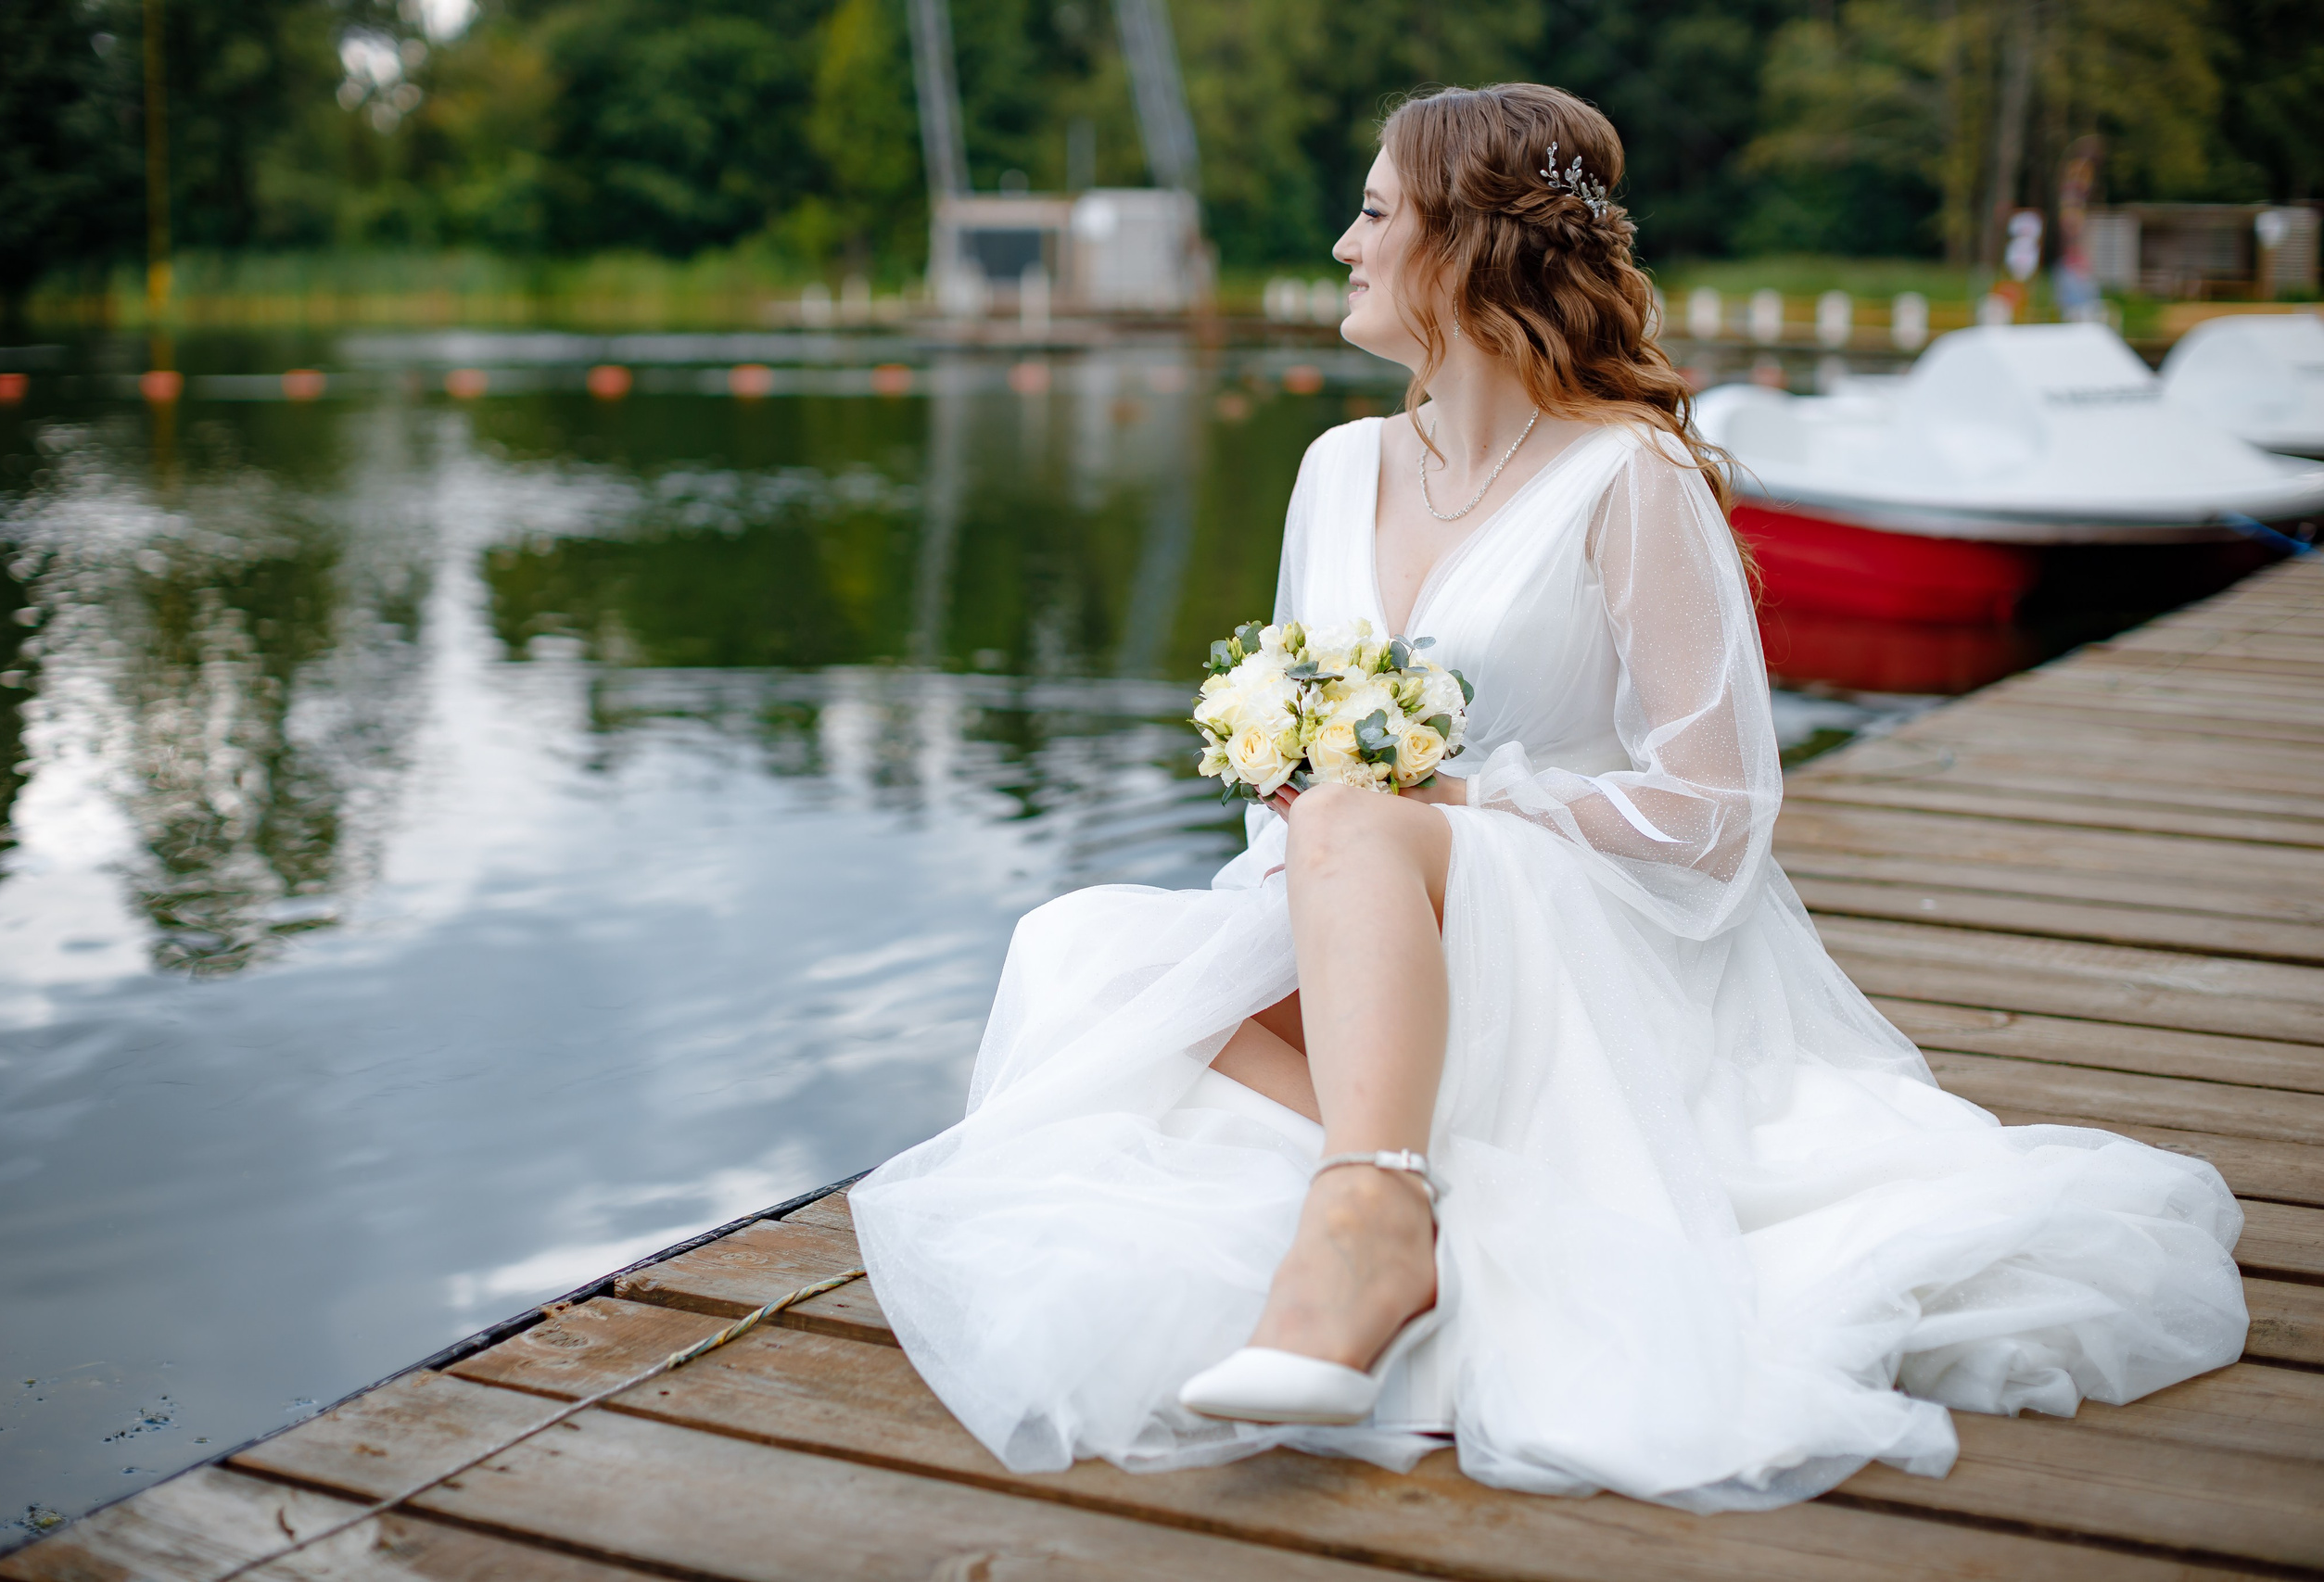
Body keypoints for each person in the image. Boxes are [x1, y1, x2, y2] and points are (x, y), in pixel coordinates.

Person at [852, 83, 2245, 1511]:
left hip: (1584, 928)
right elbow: (1302, 780)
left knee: (1347, 827)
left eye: (1378, 213)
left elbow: (1714, 815)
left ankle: (1373, 1220)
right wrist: (1297, 789)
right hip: (1364, 907)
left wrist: (1457, 803)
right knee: (1082, 955)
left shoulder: (1628, 478)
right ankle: (1448, 1174)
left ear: (1466, 251)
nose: (1343, 243)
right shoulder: (1336, 469)